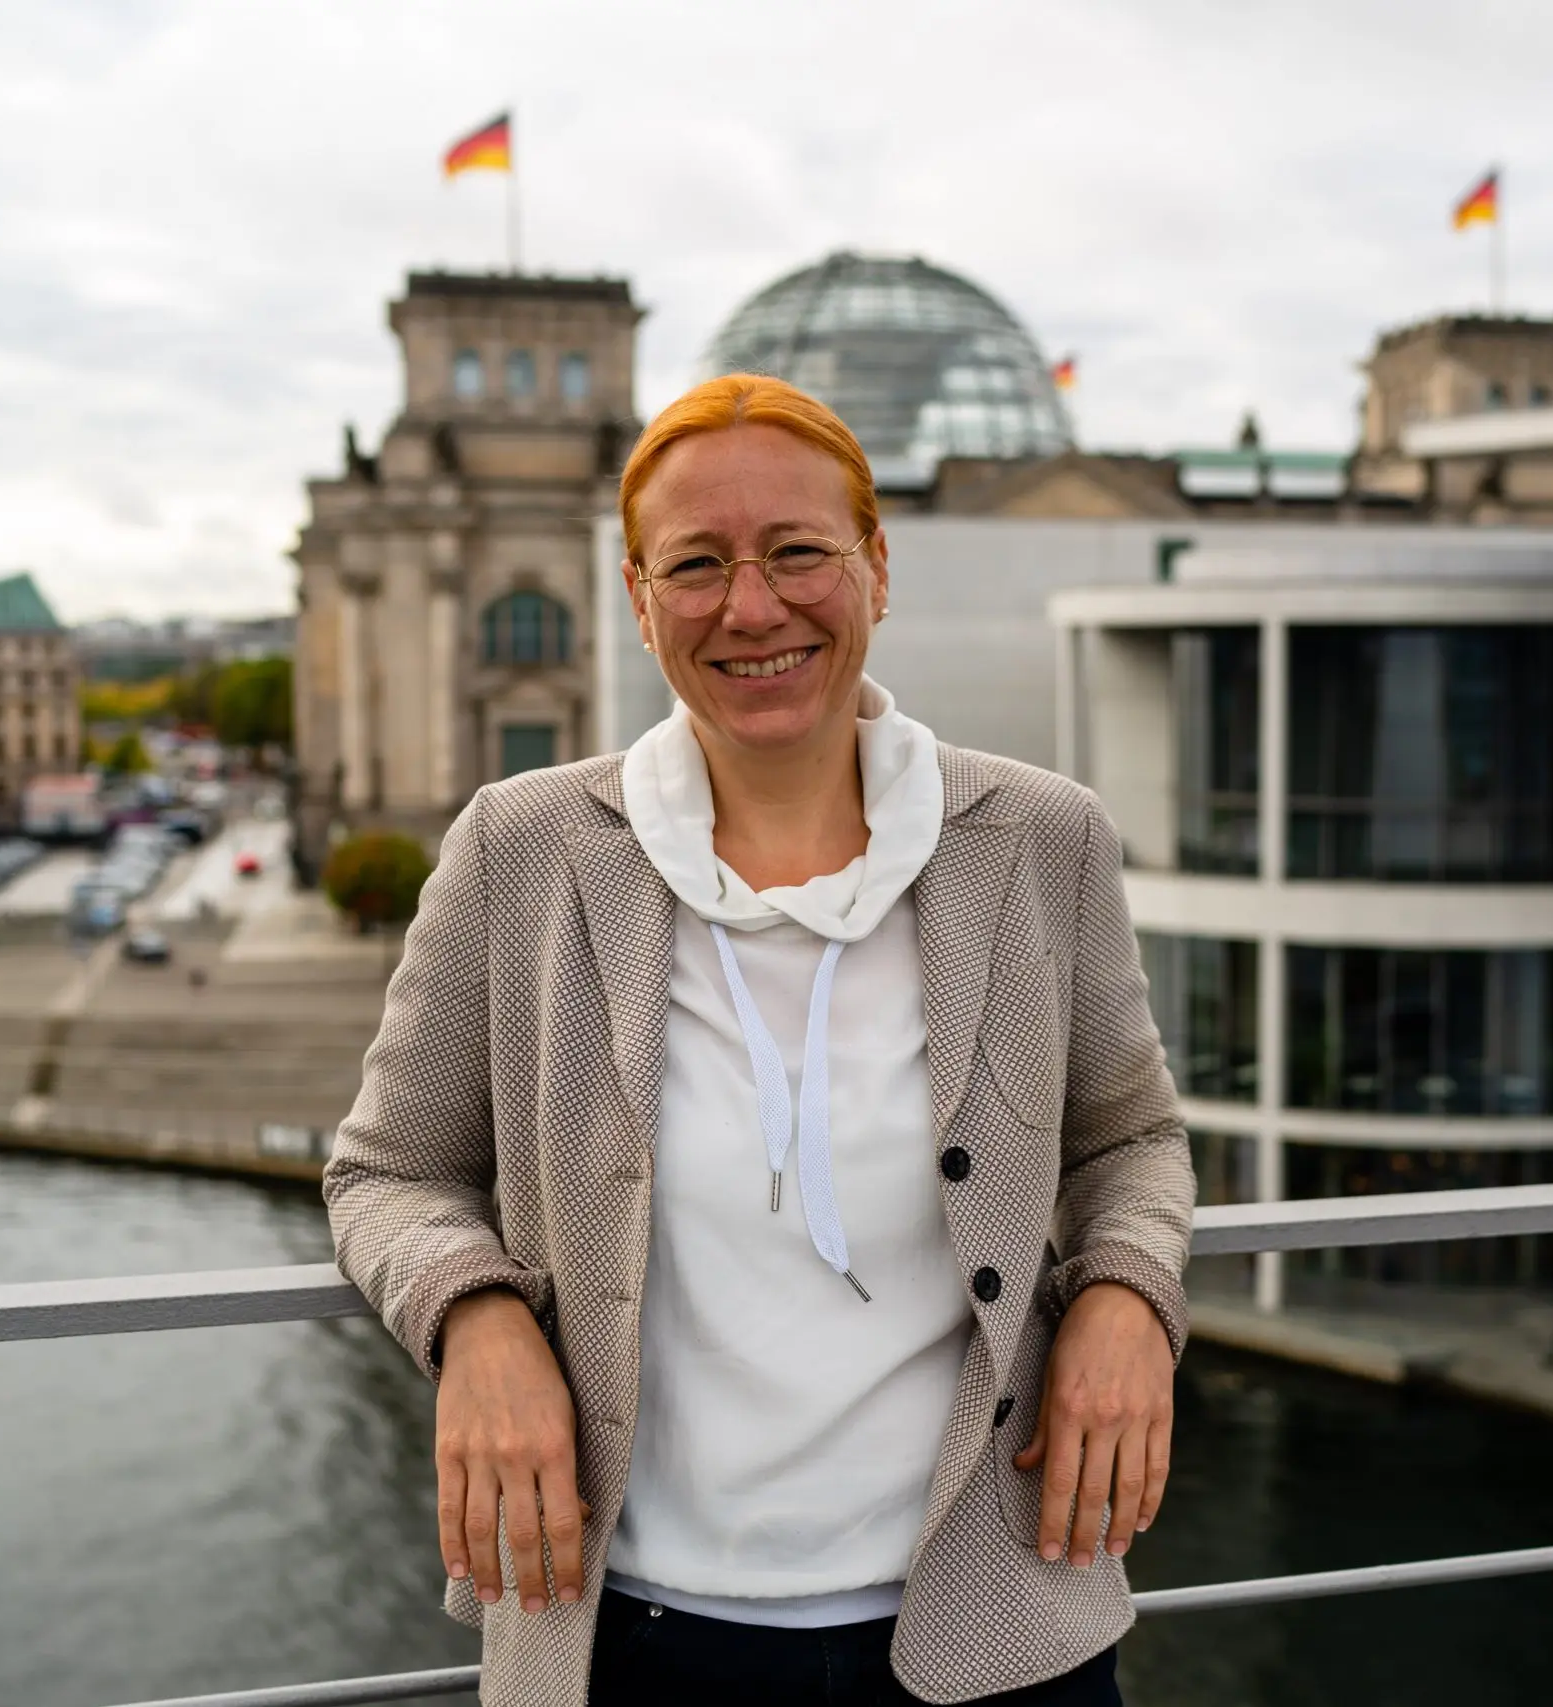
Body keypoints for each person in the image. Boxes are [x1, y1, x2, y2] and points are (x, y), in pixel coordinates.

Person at [325, 374, 1195, 1707]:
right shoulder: (523, 845)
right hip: (634, 1644)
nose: (752, 605)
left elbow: (1129, 1134)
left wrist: (1129, 1293)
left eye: (798, 551)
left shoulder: (1043, 837)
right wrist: (477, 1312)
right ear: (637, 597)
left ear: (876, 568)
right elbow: (383, 1171)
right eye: (698, 565)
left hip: (997, 1633)